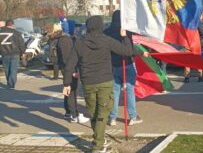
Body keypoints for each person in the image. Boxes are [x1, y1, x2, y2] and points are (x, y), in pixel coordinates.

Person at [62, 16, 148, 153]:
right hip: (105, 82)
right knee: (102, 113)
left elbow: (70, 64)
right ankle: (98, 145)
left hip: (88, 83)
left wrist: (66, 83)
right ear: (100, 26)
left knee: (93, 113)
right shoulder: (106, 41)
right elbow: (126, 51)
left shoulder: (80, 43)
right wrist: (125, 37)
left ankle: (99, 139)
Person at [104, 10, 143, 127]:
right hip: (126, 64)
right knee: (129, 90)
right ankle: (133, 116)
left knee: (115, 92)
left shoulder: (106, 32)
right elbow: (130, 49)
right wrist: (140, 53)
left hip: (113, 65)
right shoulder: (126, 31)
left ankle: (112, 117)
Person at [49, 22, 90, 123]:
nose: (77, 30)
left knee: (69, 91)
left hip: (65, 67)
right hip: (69, 68)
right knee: (72, 91)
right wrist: (73, 71)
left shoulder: (57, 39)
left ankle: (68, 112)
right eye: (75, 28)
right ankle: (74, 115)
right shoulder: (65, 40)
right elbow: (68, 58)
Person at [0, 20, 26, 89]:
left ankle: (9, 82)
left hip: (4, 53)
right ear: (12, 25)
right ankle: (11, 84)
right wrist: (23, 52)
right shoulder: (16, 33)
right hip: (15, 53)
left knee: (7, 69)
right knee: (13, 69)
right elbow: (21, 43)